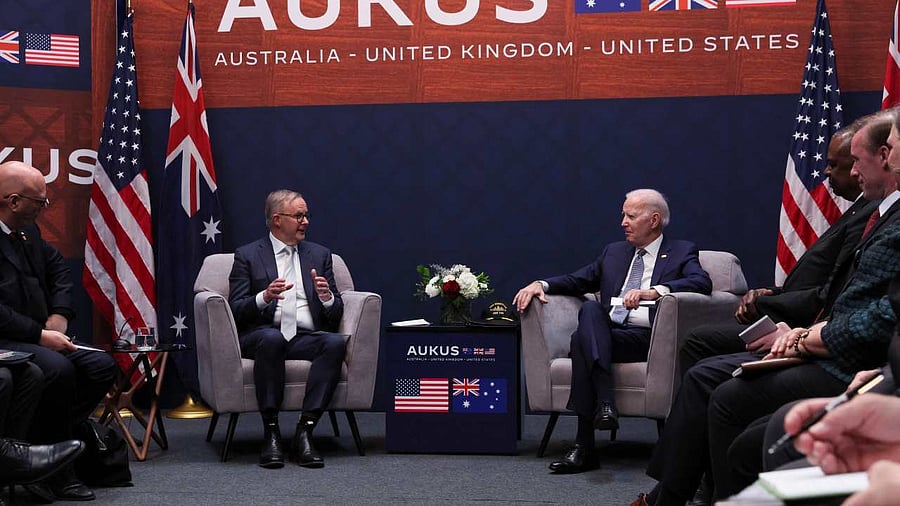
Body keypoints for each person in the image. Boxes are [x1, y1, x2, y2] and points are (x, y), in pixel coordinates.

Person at [638, 109, 900, 506]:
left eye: (842, 163)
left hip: (842, 353)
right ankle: (678, 491)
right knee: (706, 366)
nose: (827, 174)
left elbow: (862, 308)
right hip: (824, 337)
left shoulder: (887, 216)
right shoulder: (875, 209)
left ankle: (675, 494)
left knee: (720, 390)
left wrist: (803, 336)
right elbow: (844, 294)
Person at [513, 188, 712, 474]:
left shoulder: (682, 251)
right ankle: (605, 405)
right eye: (623, 215)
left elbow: (701, 282)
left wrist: (653, 291)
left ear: (654, 220)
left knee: (581, 341)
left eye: (631, 215)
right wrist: (540, 285)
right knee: (591, 312)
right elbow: (577, 280)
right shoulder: (614, 252)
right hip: (608, 335)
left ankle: (584, 446)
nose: (623, 222)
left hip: (646, 340)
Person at [680, 126, 877, 374]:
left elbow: (832, 291)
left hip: (808, 326)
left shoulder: (870, 213)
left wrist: (766, 303)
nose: (826, 172)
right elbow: (819, 278)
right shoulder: (858, 210)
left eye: (835, 164)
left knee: (700, 349)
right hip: (795, 317)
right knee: (700, 344)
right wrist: (773, 293)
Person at [0, 161, 118, 502]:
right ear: (14, 201)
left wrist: (60, 315)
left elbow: (59, 272)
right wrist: (39, 335)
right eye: (40, 201)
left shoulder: (29, 231)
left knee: (101, 367)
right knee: (58, 369)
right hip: (12, 338)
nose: (44, 207)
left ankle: (44, 445)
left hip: (42, 333)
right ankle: (58, 471)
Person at [229, 189, 345, 469]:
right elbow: (236, 309)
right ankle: (271, 432)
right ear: (277, 220)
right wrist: (264, 297)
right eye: (299, 216)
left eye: (306, 215)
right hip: (262, 334)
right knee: (271, 339)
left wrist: (327, 297)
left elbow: (336, 312)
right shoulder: (247, 255)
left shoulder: (320, 255)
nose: (305, 221)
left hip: (304, 336)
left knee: (334, 343)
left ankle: (305, 431)